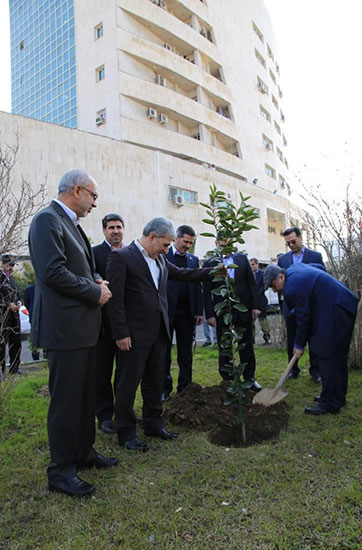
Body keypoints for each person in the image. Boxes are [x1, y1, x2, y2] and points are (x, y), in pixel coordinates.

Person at [28, 169, 117, 497]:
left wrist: (96, 279)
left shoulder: (72, 225)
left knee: (84, 399)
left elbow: (82, 267)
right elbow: (52, 272)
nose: (95, 204)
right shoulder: (46, 221)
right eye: (93, 196)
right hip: (64, 332)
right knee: (66, 403)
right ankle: (61, 472)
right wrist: (94, 293)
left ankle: (83, 453)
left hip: (83, 330)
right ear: (77, 190)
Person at [106, 217, 222, 452]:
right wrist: (120, 333)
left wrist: (215, 272)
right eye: (166, 244)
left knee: (155, 382)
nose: (168, 249)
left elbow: (182, 273)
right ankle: (126, 433)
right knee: (127, 385)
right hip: (133, 336)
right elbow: (114, 299)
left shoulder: (159, 259)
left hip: (159, 332)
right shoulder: (122, 257)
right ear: (151, 237)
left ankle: (153, 424)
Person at [263, 263, 358, 415]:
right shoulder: (294, 269)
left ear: (281, 277)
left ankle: (330, 403)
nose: (275, 290)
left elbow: (304, 318)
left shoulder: (291, 288)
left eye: (274, 286)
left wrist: (299, 345)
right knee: (337, 357)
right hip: (343, 306)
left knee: (325, 355)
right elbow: (317, 268)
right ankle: (337, 397)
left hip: (337, 311)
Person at [203, 241, 262, 390]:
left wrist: (255, 306)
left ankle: (249, 378)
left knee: (246, 344)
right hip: (222, 311)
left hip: (243, 309)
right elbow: (206, 291)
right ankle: (227, 379)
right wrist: (210, 314)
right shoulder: (210, 263)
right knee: (225, 346)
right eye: (222, 245)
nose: (225, 247)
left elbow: (251, 284)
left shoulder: (242, 259)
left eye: (228, 244)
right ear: (216, 243)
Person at [162, 225, 203, 402]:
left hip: (187, 314)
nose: (187, 245)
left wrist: (199, 310)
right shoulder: (163, 256)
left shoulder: (193, 260)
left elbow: (197, 287)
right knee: (164, 352)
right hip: (167, 312)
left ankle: (185, 387)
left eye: (191, 243)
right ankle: (164, 388)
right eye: (185, 242)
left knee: (185, 353)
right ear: (176, 239)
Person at [278, 226, 325, 381]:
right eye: (288, 243)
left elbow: (321, 279)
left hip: (311, 305)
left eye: (293, 241)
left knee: (313, 337)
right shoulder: (283, 260)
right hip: (290, 306)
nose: (291, 245)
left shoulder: (315, 256)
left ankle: (316, 370)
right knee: (292, 338)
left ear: (300, 237)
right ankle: (293, 369)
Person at [92, 213, 125, 434]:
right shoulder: (94, 254)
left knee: (124, 373)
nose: (115, 231)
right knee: (102, 373)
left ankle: (124, 413)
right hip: (102, 325)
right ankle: (104, 416)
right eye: (111, 227)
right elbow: (88, 274)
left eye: (119, 227)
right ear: (104, 230)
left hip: (125, 325)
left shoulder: (130, 253)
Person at [0, 254, 22, 375]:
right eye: (9, 265)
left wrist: (18, 302)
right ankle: (2, 371)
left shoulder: (12, 280)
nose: (11, 268)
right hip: (3, 316)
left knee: (16, 343)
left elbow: (17, 294)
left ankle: (14, 368)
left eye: (13, 265)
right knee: (2, 345)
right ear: (3, 264)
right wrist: (8, 305)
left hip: (14, 316)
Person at [250, 258, 271, 345]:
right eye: (250, 265)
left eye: (253, 264)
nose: (252, 266)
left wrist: (257, 293)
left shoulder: (262, 274)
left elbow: (265, 285)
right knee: (251, 321)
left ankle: (267, 338)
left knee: (263, 320)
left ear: (257, 264)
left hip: (261, 300)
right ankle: (252, 339)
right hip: (251, 302)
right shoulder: (249, 274)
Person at [24, 283, 40, 360]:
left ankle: (39, 356)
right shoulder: (30, 289)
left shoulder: (30, 289)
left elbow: (27, 303)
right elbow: (26, 303)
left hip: (36, 315)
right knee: (35, 337)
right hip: (35, 316)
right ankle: (36, 357)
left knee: (37, 336)